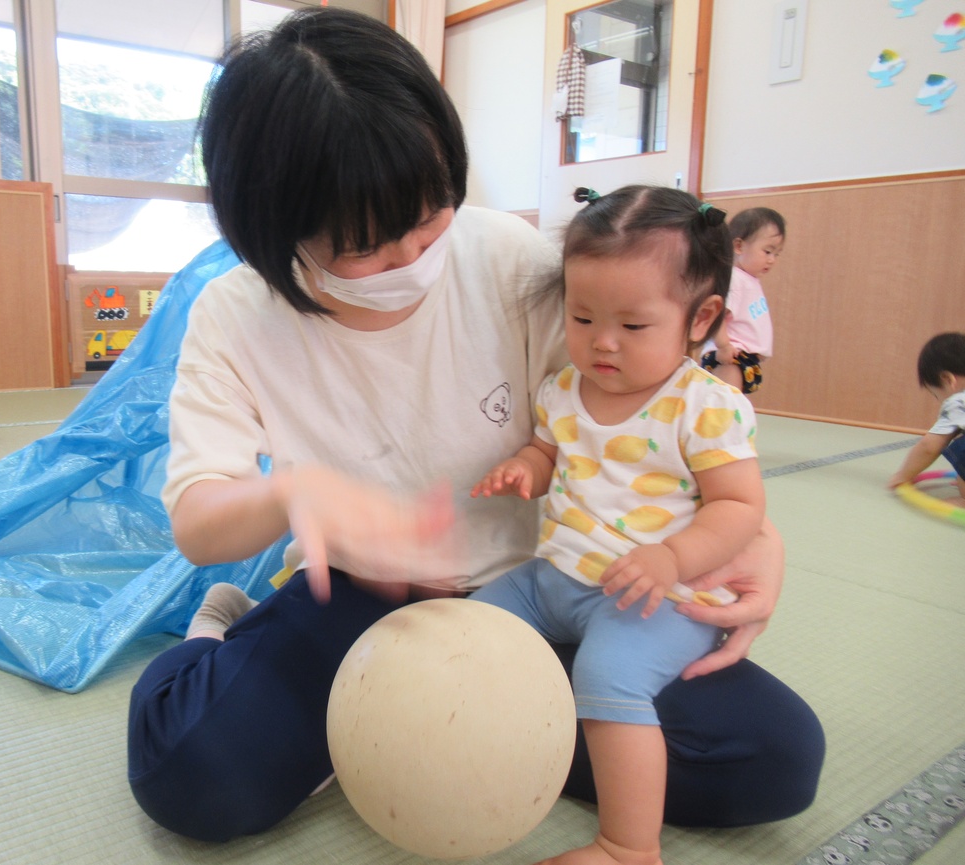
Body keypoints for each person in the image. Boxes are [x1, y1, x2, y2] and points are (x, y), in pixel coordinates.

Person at [125, 6, 825, 845]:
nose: (414, 255)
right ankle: (223, 636)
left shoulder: (515, 262)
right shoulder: (234, 314)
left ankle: (426, 734)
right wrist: (295, 492)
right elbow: (199, 521)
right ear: (277, 230)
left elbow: (658, 421)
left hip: (541, 596)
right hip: (357, 598)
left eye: (431, 211)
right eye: (367, 247)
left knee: (775, 757)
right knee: (190, 775)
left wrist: (756, 538)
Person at [470, 186, 766, 865]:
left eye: (633, 326)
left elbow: (740, 507)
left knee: (608, 679)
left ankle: (628, 845)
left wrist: (671, 558)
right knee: (474, 626)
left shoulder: (703, 405)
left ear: (702, 318)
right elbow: (551, 451)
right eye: (581, 316)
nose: (602, 342)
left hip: (652, 595)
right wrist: (526, 466)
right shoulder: (563, 388)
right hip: (555, 577)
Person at [700, 207, 785, 394]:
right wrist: (723, 346)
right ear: (738, 246)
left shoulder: (749, 280)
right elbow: (717, 316)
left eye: (777, 254)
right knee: (725, 406)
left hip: (741, 356)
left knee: (733, 406)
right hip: (729, 356)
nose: (772, 260)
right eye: (767, 251)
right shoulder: (736, 279)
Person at [888, 331, 965, 500]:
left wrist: (903, 475)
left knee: (960, 443)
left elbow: (929, 447)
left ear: (947, 379)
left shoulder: (958, 401)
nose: (939, 401)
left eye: (936, 395)